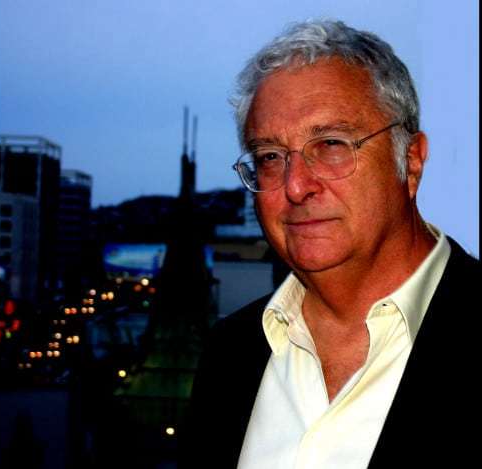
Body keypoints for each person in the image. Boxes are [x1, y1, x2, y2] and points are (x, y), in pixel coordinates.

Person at [179, 19, 479, 468]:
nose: (296, 185)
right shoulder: (230, 353)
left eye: (331, 144)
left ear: (411, 161)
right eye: (270, 156)